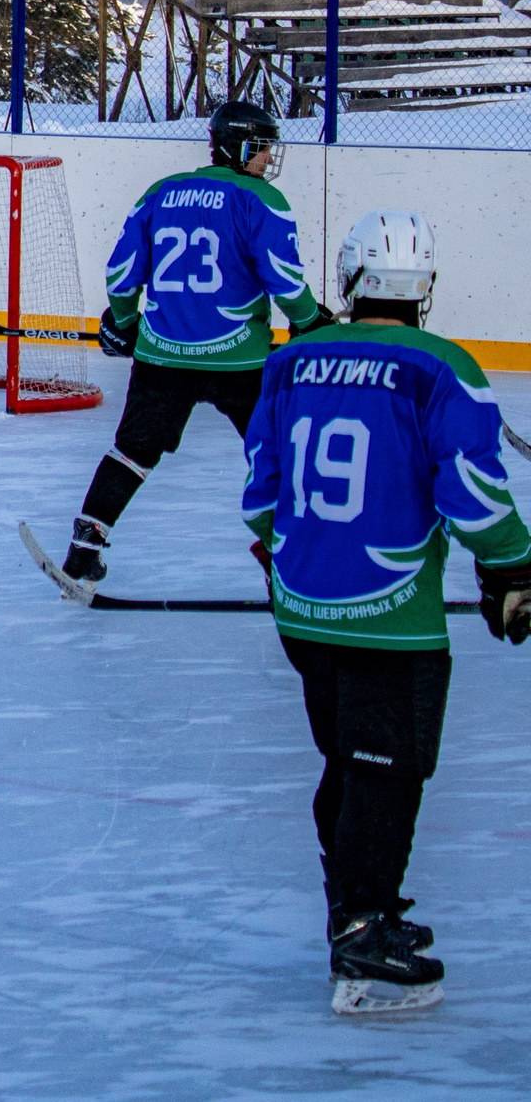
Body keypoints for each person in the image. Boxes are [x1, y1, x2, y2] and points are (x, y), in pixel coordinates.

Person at [242, 209, 531, 1014]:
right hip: (391, 618)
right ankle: (362, 940)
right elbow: (472, 494)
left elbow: (259, 484)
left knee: (347, 761)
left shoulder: (292, 359)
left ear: (348, 279)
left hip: (301, 610)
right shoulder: (443, 367)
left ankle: (359, 911)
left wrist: (282, 556)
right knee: (387, 768)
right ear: (424, 288)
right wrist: (514, 567)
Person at [52, 99, 329, 587]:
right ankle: (283, 557)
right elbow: (284, 281)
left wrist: (123, 321)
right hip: (239, 360)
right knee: (276, 454)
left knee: (132, 451)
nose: (268, 158)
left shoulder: (161, 193)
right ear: (239, 145)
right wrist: (311, 321)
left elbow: (121, 274)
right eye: (263, 148)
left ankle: (84, 549)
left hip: (162, 356)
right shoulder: (262, 200)